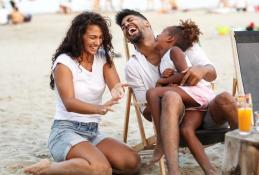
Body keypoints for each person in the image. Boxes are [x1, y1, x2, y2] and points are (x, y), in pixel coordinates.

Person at [115, 9, 237, 175]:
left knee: (226, 98)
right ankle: (174, 168)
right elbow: (146, 110)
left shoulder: (180, 44)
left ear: (147, 23)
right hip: (178, 120)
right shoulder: (133, 66)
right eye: (123, 26)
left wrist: (201, 70)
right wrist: (166, 96)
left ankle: (249, 156)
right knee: (170, 97)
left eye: (130, 20)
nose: (126, 25)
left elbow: (210, 73)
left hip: (206, 108)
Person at [24, 12, 140, 175]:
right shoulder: (64, 63)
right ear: (79, 36)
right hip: (65, 131)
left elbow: (114, 85)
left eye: (101, 38)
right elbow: (69, 103)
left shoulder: (103, 57)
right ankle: (47, 168)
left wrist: (116, 91)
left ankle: (83, 163)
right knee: (102, 169)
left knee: (132, 162)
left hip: (92, 131)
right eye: (93, 37)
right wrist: (98, 108)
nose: (98, 42)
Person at [147, 20, 218, 175]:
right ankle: (210, 171)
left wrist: (163, 81)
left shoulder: (174, 51)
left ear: (170, 39)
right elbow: (178, 78)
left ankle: (160, 140)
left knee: (152, 93)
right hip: (193, 103)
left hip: (198, 93)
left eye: (160, 34)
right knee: (187, 130)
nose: (156, 36)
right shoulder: (165, 58)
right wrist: (167, 81)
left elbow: (187, 75)